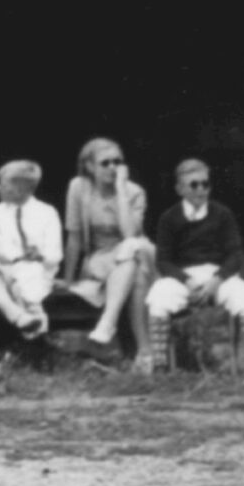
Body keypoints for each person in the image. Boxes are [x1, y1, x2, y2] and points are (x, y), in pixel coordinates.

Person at [144, 157, 244, 377]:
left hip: (216, 276)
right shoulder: (169, 219)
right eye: (194, 185)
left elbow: (235, 255)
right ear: (180, 189)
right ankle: (160, 367)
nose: (201, 190)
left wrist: (217, 280)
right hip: (183, 278)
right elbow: (163, 261)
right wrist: (186, 281)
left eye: (205, 184)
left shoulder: (222, 214)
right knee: (158, 296)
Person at [62, 135, 152, 364]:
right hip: (99, 259)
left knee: (132, 251)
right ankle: (144, 351)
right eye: (105, 163)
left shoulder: (135, 192)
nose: (113, 167)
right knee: (134, 268)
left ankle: (108, 323)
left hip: (133, 254)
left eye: (117, 162)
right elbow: (75, 237)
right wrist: (68, 279)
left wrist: (121, 190)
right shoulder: (78, 188)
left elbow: (130, 233)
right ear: (89, 167)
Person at [0, 159, 63, 343]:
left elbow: (55, 255)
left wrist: (40, 256)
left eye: (2, 184)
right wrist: (20, 257)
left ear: (20, 188)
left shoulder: (47, 212)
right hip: (9, 267)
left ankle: (32, 333)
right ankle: (35, 330)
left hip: (40, 269)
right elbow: (2, 248)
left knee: (28, 275)